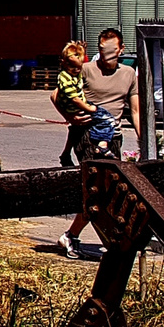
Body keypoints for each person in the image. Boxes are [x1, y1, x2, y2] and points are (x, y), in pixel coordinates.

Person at [53, 28, 141, 259]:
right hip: (89, 135)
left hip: (113, 137)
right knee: (100, 190)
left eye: (111, 51)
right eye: (102, 51)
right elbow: (56, 95)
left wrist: (145, 141)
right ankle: (108, 241)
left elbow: (134, 110)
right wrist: (69, 117)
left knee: (111, 191)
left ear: (121, 50)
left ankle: (74, 235)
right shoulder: (87, 70)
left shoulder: (129, 73)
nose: (105, 55)